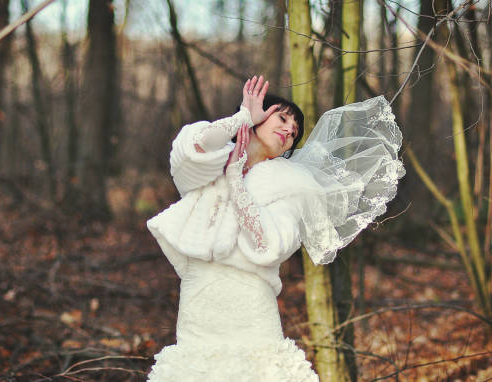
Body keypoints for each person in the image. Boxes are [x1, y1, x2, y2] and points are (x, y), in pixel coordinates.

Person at [146, 76, 405, 381]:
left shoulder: (291, 184)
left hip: (251, 302)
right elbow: (190, 151)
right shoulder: (212, 160)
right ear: (259, 117)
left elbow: (270, 244)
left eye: (294, 132)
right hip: (200, 298)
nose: (288, 131)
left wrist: (235, 182)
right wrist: (242, 119)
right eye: (281, 118)